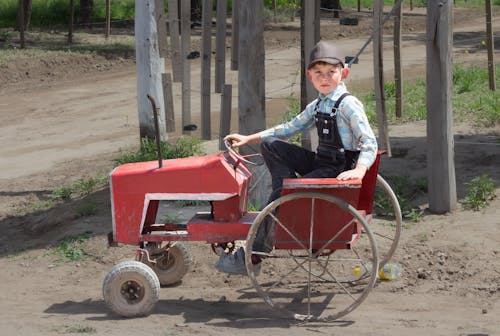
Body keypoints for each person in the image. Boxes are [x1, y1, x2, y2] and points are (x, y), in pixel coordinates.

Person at [214, 40, 378, 275]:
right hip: (322, 162)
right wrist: (250, 138)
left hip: (337, 169)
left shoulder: (348, 105)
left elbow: (369, 142)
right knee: (271, 145)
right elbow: (291, 127)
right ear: (310, 76)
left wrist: (359, 170)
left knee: (284, 194)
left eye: (331, 72)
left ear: (344, 73)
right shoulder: (319, 104)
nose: (325, 78)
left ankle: (255, 255)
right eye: (318, 73)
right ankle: (284, 191)